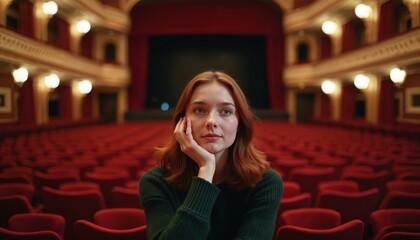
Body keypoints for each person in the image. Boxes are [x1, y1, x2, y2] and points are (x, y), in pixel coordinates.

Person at [139, 70, 283, 240]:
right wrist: (206, 170)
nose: (211, 122)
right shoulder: (155, 182)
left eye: (226, 111)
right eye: (199, 110)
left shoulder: (266, 183)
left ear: (240, 124)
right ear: (182, 121)